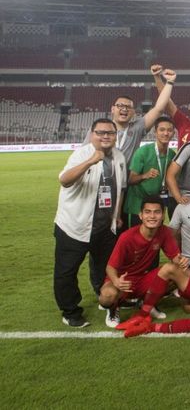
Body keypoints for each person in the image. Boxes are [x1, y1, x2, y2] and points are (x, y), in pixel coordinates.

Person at [54, 118, 128, 327]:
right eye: (100, 132)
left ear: (115, 135)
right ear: (92, 133)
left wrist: (117, 214)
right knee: (67, 271)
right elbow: (64, 180)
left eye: (110, 133)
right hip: (74, 226)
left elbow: (120, 187)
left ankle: (104, 298)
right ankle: (70, 311)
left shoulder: (119, 156)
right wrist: (90, 161)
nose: (105, 136)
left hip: (105, 227)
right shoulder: (82, 154)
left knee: (104, 268)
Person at [98, 196, 189, 327]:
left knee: (179, 271)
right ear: (140, 215)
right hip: (124, 281)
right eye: (147, 212)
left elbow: (175, 258)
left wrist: (182, 261)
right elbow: (110, 268)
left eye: (157, 212)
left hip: (142, 279)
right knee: (107, 296)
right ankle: (113, 308)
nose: (152, 216)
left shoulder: (164, 231)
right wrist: (117, 281)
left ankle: (148, 304)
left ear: (163, 215)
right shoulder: (127, 237)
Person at [99, 68, 176, 164]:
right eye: (120, 106)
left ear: (133, 112)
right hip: (102, 177)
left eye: (128, 107)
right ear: (112, 109)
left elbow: (159, 109)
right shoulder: (99, 129)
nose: (124, 109)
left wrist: (170, 82)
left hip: (127, 178)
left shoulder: (136, 128)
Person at [124, 117, 177, 225]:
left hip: (157, 206)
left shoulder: (172, 155)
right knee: (137, 240)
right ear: (155, 132)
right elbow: (130, 180)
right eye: (162, 130)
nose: (166, 133)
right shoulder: (143, 152)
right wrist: (144, 175)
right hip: (137, 206)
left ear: (173, 133)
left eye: (169, 130)